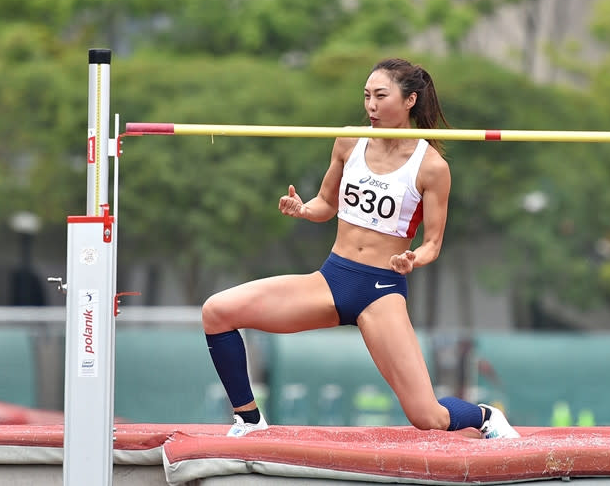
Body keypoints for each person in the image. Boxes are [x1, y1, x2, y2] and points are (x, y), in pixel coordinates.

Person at [202, 57, 519, 439]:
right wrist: (303, 209)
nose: (370, 105)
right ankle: (249, 420)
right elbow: (325, 204)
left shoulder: (432, 167)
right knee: (217, 312)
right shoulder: (349, 139)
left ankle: (485, 417)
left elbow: (433, 243)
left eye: (380, 96)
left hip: (380, 293)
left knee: (427, 416)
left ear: (409, 101)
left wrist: (412, 259)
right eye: (366, 96)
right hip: (332, 280)